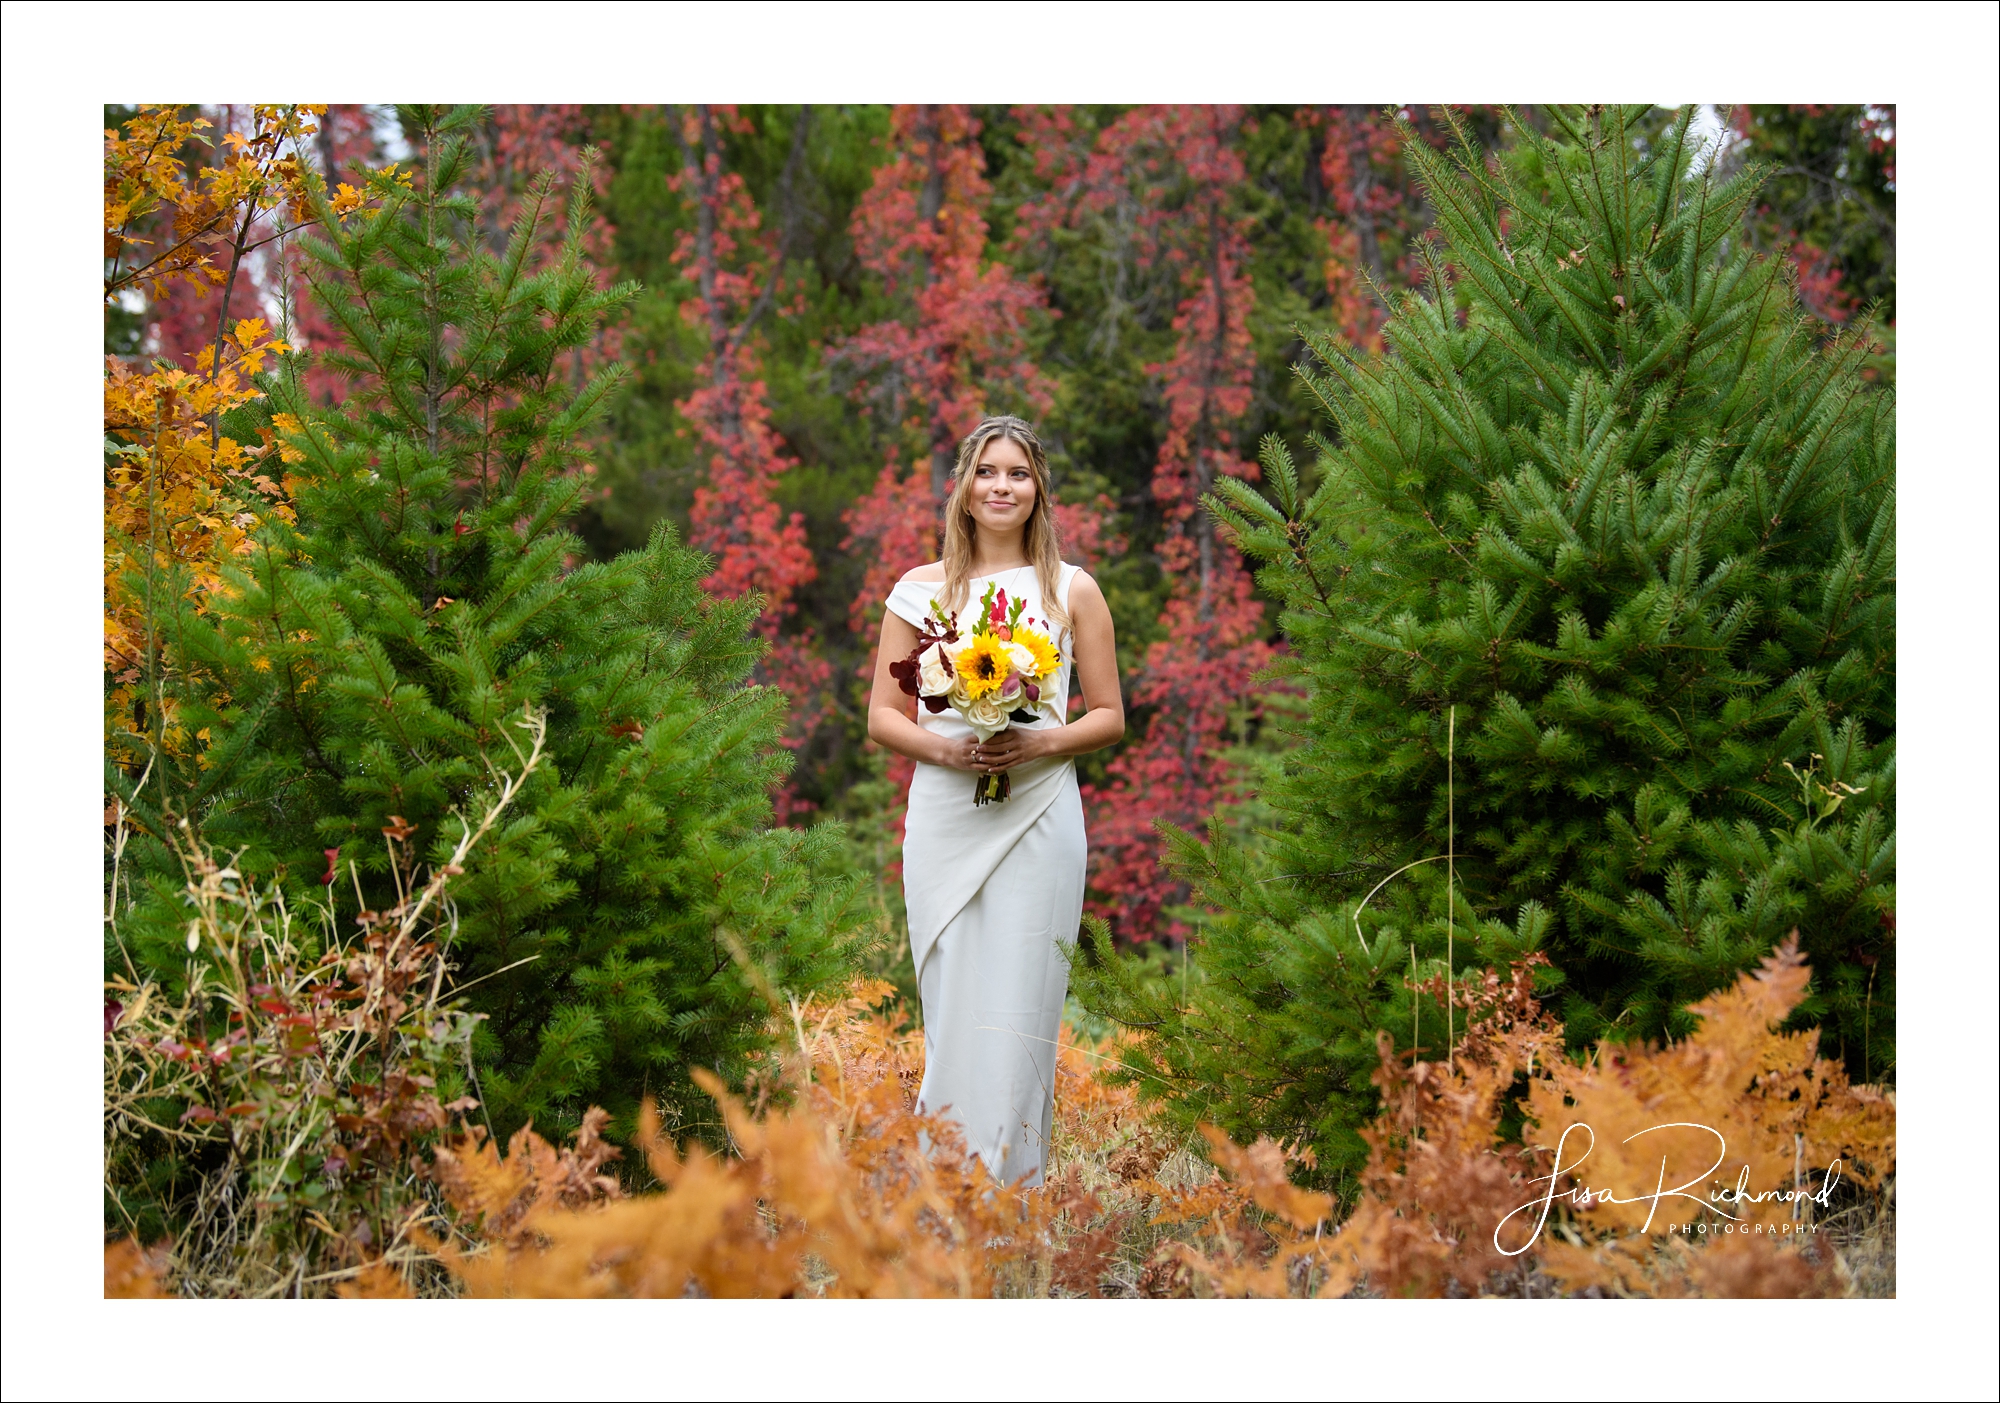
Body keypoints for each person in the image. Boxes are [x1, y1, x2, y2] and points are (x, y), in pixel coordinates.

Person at [867, 415, 1124, 1187]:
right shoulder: (919, 589)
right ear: (965, 488)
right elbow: (883, 714)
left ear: (1038, 487)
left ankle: (1015, 1197)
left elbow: (1109, 715)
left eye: (1017, 472)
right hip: (946, 817)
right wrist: (949, 749)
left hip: (1039, 817)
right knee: (952, 1010)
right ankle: (944, 1188)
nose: (1002, 486)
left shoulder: (1071, 589)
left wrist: (1039, 741)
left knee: (1019, 1011)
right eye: (987, 472)